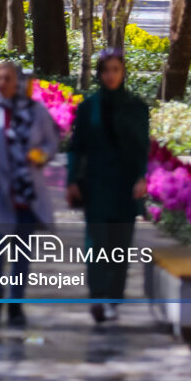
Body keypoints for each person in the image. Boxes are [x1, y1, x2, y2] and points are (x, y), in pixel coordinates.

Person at [0, 62, 59, 327]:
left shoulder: (36, 112)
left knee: (21, 252)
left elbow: (51, 143)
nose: (2, 83)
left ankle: (15, 302)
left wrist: (41, 155)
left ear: (17, 80)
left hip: (27, 193)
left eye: (7, 78)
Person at [67, 48, 150, 324]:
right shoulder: (88, 107)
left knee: (120, 247)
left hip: (125, 188)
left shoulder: (137, 107)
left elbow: (142, 148)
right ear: (99, 74)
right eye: (106, 70)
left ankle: (114, 298)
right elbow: (76, 148)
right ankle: (98, 297)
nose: (111, 75)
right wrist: (72, 181)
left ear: (123, 72)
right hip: (97, 185)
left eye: (116, 69)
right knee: (98, 245)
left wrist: (141, 178)